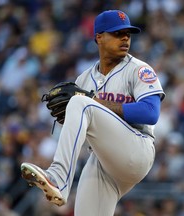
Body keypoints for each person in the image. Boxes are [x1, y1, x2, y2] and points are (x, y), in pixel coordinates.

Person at [21, 10, 165, 215]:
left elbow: (151, 113)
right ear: (99, 37)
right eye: (117, 33)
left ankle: (59, 178)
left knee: (81, 102)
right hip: (103, 161)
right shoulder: (84, 80)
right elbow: (79, 128)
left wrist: (94, 103)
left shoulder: (138, 69)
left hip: (137, 149)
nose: (125, 38)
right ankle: (58, 177)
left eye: (128, 34)